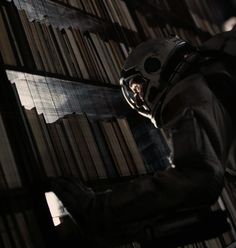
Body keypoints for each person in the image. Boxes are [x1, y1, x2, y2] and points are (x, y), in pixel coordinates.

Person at [50, 28, 236, 247]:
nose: (139, 99)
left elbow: (197, 178)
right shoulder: (220, 56)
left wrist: (100, 210)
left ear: (154, 67)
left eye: (137, 88)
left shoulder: (186, 93)